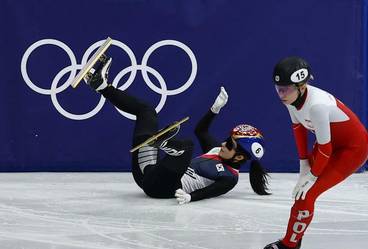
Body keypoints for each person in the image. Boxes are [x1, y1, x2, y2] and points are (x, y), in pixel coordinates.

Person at [77, 43, 269, 203]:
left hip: (161, 190)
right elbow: (201, 130)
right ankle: (100, 84)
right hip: (147, 172)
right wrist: (215, 109)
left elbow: (212, 192)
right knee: (147, 111)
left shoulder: (230, 178)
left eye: (230, 144)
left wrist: (190, 197)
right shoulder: (216, 150)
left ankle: (159, 142)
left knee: (187, 146)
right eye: (228, 139)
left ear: (238, 158)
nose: (223, 143)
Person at [253, 56, 368, 249]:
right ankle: (291, 240)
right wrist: (303, 166)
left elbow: (326, 147)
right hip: (331, 146)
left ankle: (289, 246)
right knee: (303, 193)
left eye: (286, 89)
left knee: (307, 195)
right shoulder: (291, 99)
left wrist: (313, 175)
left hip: (352, 150)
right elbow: (298, 129)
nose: (281, 94)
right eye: (278, 88)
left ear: (301, 86)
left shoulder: (317, 106)